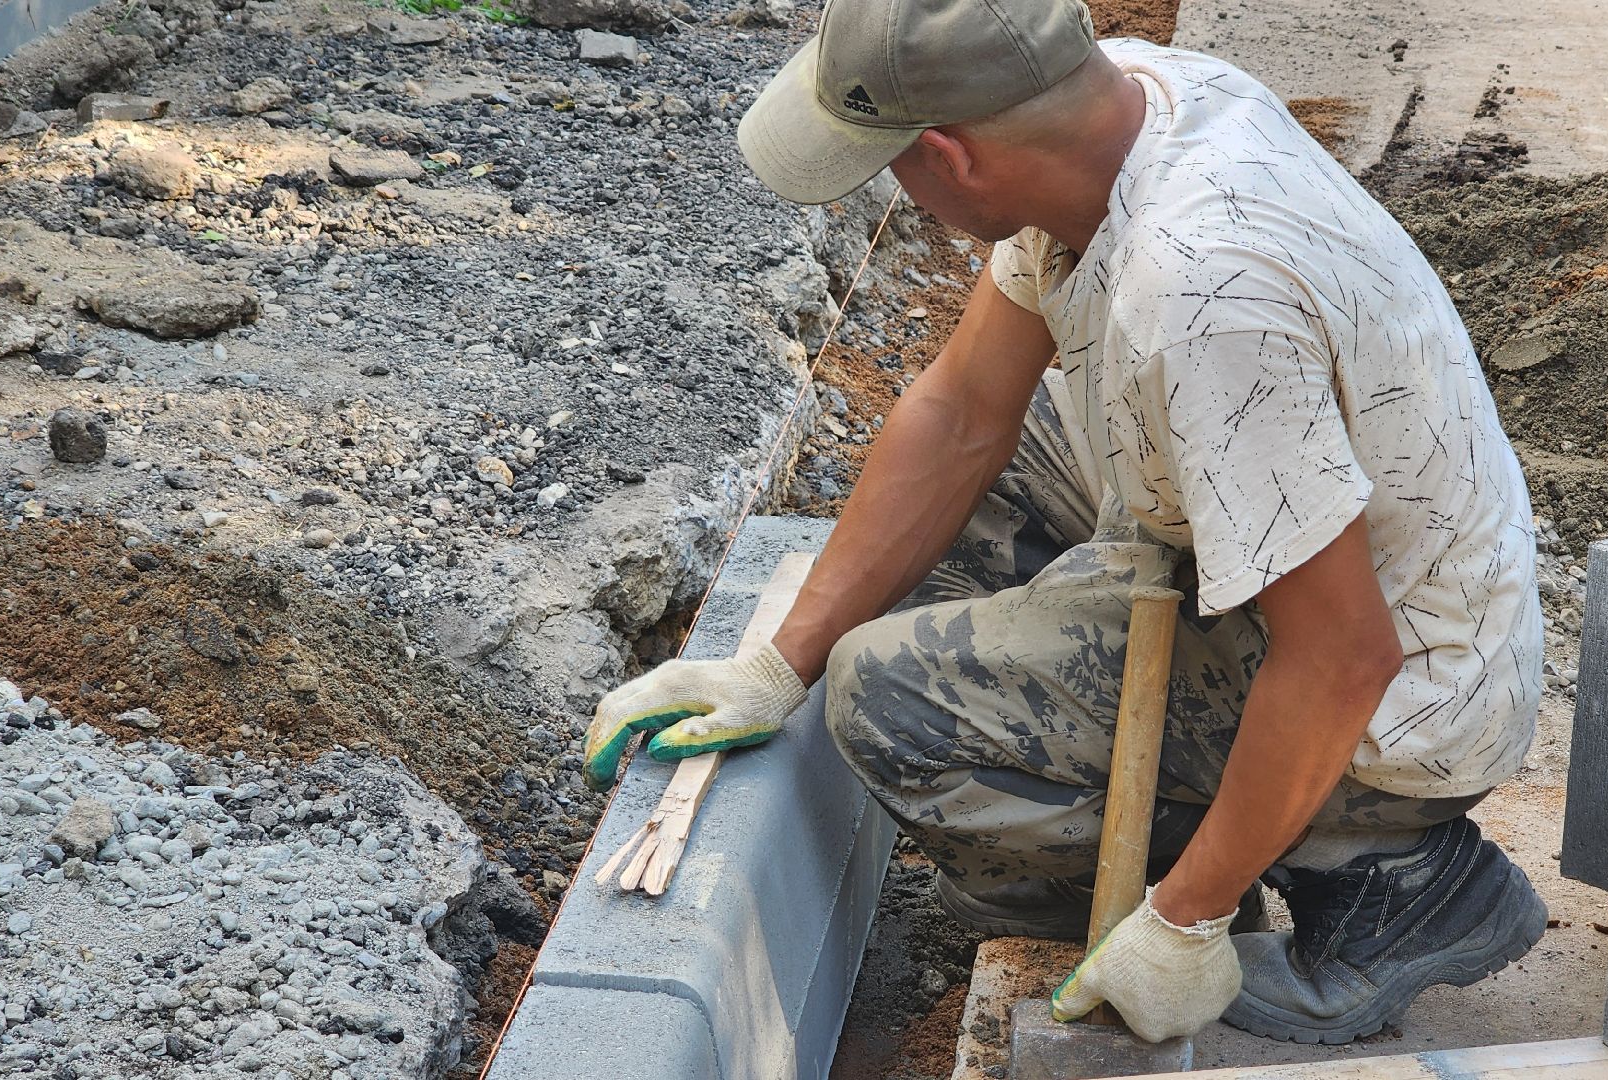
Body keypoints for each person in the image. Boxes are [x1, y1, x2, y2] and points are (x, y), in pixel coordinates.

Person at [583, 0, 1548, 1046]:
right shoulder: (1121, 105)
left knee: (893, 704)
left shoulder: (1203, 297)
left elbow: (1341, 654)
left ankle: (1378, 880)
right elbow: (961, 413)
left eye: (890, 164)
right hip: (1325, 558)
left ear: (949, 157)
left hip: (1404, 697)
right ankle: (1150, 811)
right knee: (961, 507)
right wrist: (776, 665)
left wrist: (1187, 919)